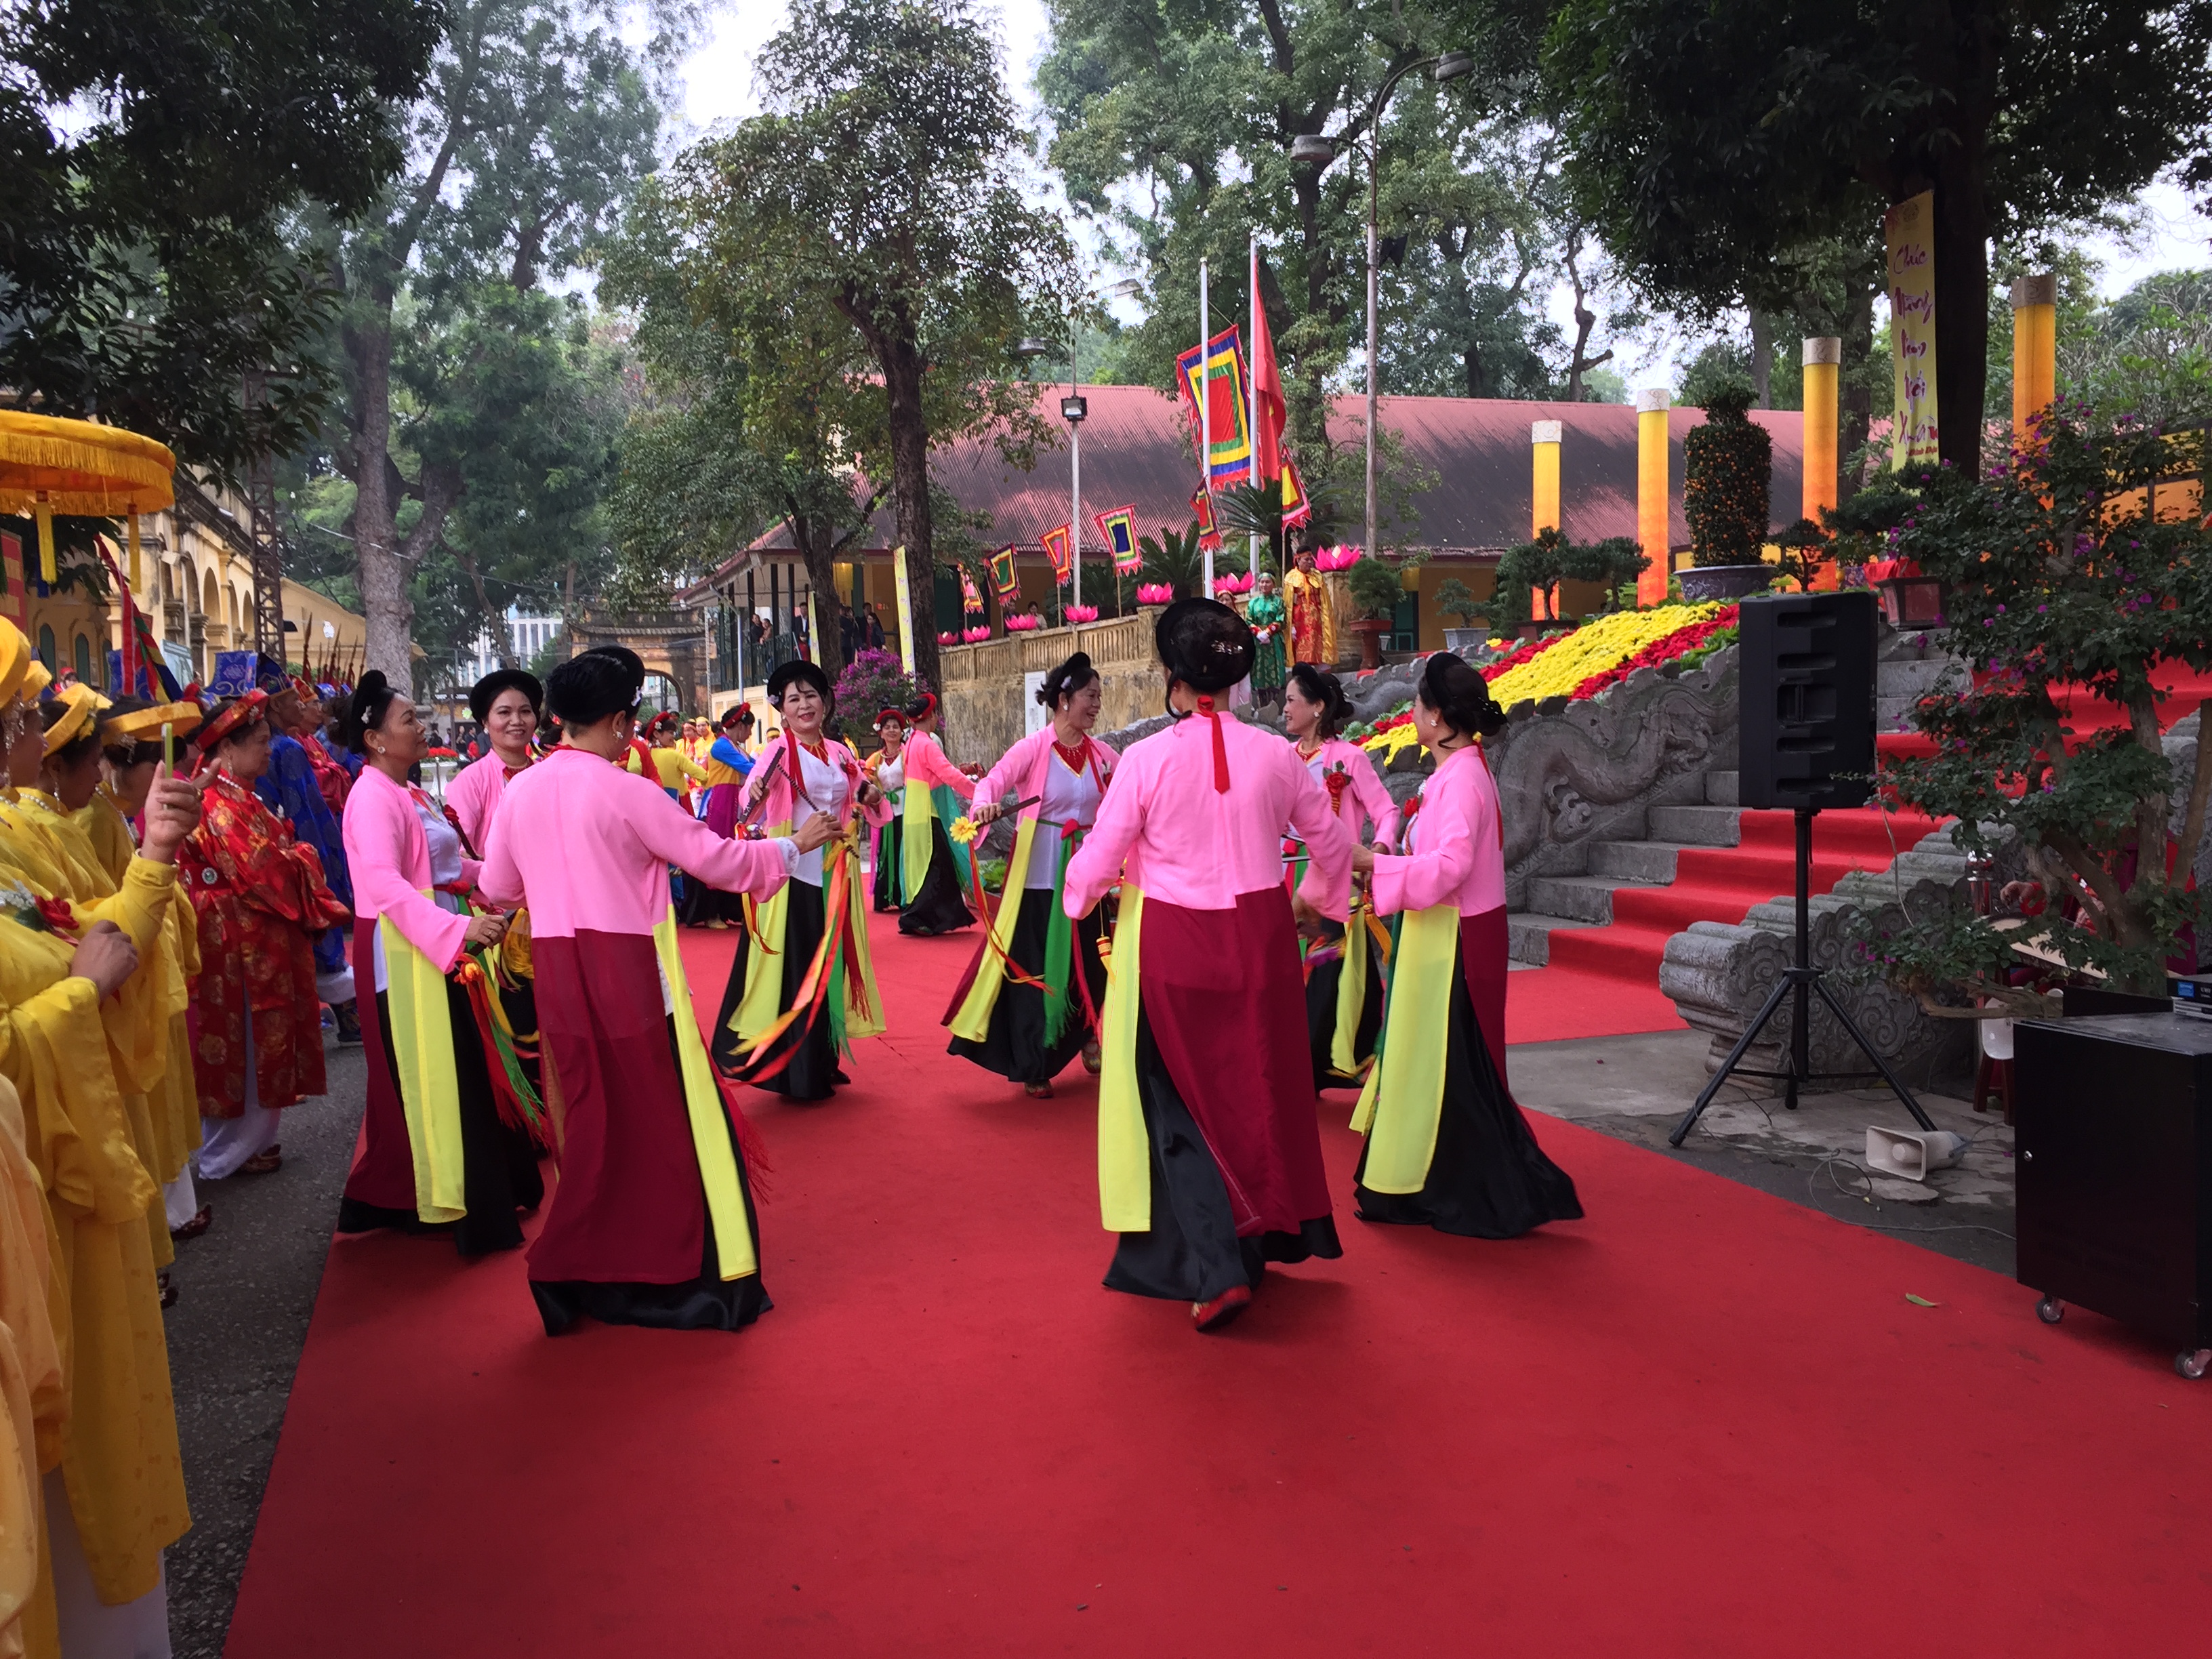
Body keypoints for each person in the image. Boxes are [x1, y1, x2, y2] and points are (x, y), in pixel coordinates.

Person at [477, 645, 835, 1335]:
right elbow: (716, 861)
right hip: (626, 971)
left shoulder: (520, 789)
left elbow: (497, 887)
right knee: (660, 1116)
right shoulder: (626, 790)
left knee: (590, 1116)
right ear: (618, 721)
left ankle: (583, 1260)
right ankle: (669, 1266)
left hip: (559, 973)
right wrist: (794, 846)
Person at [1063, 598, 1353, 1334]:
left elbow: (1097, 862)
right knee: (1259, 1088)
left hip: (1177, 941)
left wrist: (1075, 900)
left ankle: (1218, 1266)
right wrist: (1317, 905)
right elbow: (1332, 848)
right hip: (1262, 939)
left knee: (1177, 1101)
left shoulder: (1146, 760)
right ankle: (1263, 1236)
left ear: (1174, 676)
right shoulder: (1279, 756)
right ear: (1235, 678)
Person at [0, 617, 205, 1649]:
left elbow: (87, 934)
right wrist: (76, 1000)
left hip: (65, 1202)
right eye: (19, 715)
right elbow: (77, 971)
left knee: (93, 1444)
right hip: (26, 1230)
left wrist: (154, 854)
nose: (28, 733)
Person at [1348, 653, 1582, 1237]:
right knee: (1442, 1065)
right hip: (1442, 932)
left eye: (1417, 704)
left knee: (1452, 1066)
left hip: (1452, 937)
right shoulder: (1458, 772)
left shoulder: (1462, 780)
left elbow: (1450, 867)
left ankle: (1465, 1185)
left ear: (1438, 716)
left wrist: (1375, 866)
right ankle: (1432, 1179)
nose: (1412, 713)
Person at [335, 671, 547, 1256]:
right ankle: (442, 1199)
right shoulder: (372, 798)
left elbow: (454, 867)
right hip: (403, 950)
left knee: (462, 1067)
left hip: (434, 941)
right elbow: (384, 883)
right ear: (375, 739)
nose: (422, 726)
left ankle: (464, 1192)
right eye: (409, 719)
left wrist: (519, 881)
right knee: (432, 1073)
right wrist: (457, 929)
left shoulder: (409, 791)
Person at [180, 691, 352, 1179]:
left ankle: (243, 1146)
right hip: (234, 944)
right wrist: (303, 856)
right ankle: (223, 1156)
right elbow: (265, 872)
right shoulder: (218, 804)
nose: (267, 749)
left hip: (255, 938)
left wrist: (294, 854)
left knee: (255, 1045)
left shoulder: (241, 797)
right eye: (258, 741)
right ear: (226, 749)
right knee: (241, 1046)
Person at [712, 661, 891, 1101]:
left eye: (811, 695)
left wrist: (870, 796)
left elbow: (866, 798)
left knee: (829, 965)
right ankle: (795, 1068)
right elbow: (748, 806)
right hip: (792, 872)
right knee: (795, 967)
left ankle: (824, 1057)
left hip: (835, 874)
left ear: (824, 702)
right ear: (783, 710)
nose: (804, 705)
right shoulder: (777, 753)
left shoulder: (841, 753)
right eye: (794, 699)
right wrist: (754, 792)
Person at [945, 652, 1117, 1098]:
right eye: (1090, 696)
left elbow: (1131, 790)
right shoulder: (1034, 748)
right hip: (1039, 877)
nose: (1097, 705)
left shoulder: (1102, 755)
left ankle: (1089, 1032)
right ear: (1064, 699)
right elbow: (993, 781)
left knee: (1091, 962)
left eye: (1099, 697)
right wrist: (984, 803)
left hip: (1086, 877)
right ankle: (1032, 1060)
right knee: (1035, 967)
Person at [89, 696, 212, 1243]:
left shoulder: (114, 814)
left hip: (147, 964)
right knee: (143, 1105)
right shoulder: (97, 818)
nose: (166, 776)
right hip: (125, 972)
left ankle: (172, 1213)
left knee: (162, 1100)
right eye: (155, 764)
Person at [1281, 663, 1400, 1091]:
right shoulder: (1283, 757)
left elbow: (1387, 811)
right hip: (1286, 877)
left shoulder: (1348, 758)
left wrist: (1377, 853)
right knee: (1286, 973)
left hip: (1334, 882)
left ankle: (1315, 1066)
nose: (1284, 709)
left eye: (1292, 700)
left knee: (1326, 977)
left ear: (1317, 707)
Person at [254, 674, 359, 1044]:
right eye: (295, 700)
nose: (302, 706)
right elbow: (308, 811)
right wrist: (329, 863)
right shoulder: (287, 749)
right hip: (299, 850)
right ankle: (350, 1021)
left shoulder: (297, 743)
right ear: (275, 706)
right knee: (320, 936)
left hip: (264, 854)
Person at [895, 691, 977, 936]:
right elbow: (948, 773)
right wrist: (978, 791)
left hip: (914, 809)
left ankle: (931, 917)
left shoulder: (911, 743)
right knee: (936, 864)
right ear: (931, 717)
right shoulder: (927, 744)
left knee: (928, 863)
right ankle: (918, 916)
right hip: (927, 810)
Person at [445, 668, 541, 861]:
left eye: (525, 711)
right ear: (485, 722)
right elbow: (459, 850)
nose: (517, 721)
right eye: (504, 712)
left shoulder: (547, 774)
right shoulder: (471, 781)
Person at [862, 709, 907, 912]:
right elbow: (864, 779)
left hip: (906, 805)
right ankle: (884, 896)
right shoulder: (875, 759)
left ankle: (903, 895)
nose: (891, 731)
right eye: (887, 727)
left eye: (895, 727)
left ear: (901, 731)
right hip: (884, 808)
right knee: (884, 850)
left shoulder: (907, 754)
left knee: (903, 848)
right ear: (881, 732)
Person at [1284, 544, 1340, 669]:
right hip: (1300, 619)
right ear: (1298, 560)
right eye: (1306, 560)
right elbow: (1288, 604)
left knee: (1318, 647)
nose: (1310, 562)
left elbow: (1325, 600)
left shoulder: (1317, 576)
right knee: (1301, 648)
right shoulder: (1290, 578)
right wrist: (1291, 625)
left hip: (1317, 619)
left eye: (1311, 559)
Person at [1247, 569, 1287, 704]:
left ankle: (1274, 701)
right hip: (1258, 641)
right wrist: (1258, 633)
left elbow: (1281, 620)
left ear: (1273, 584)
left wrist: (1268, 632)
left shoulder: (1279, 602)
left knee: (1275, 669)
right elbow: (1249, 621)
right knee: (1259, 668)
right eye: (1262, 582)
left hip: (1274, 640)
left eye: (1268, 582)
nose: (1264, 585)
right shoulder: (1253, 603)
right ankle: (1262, 702)